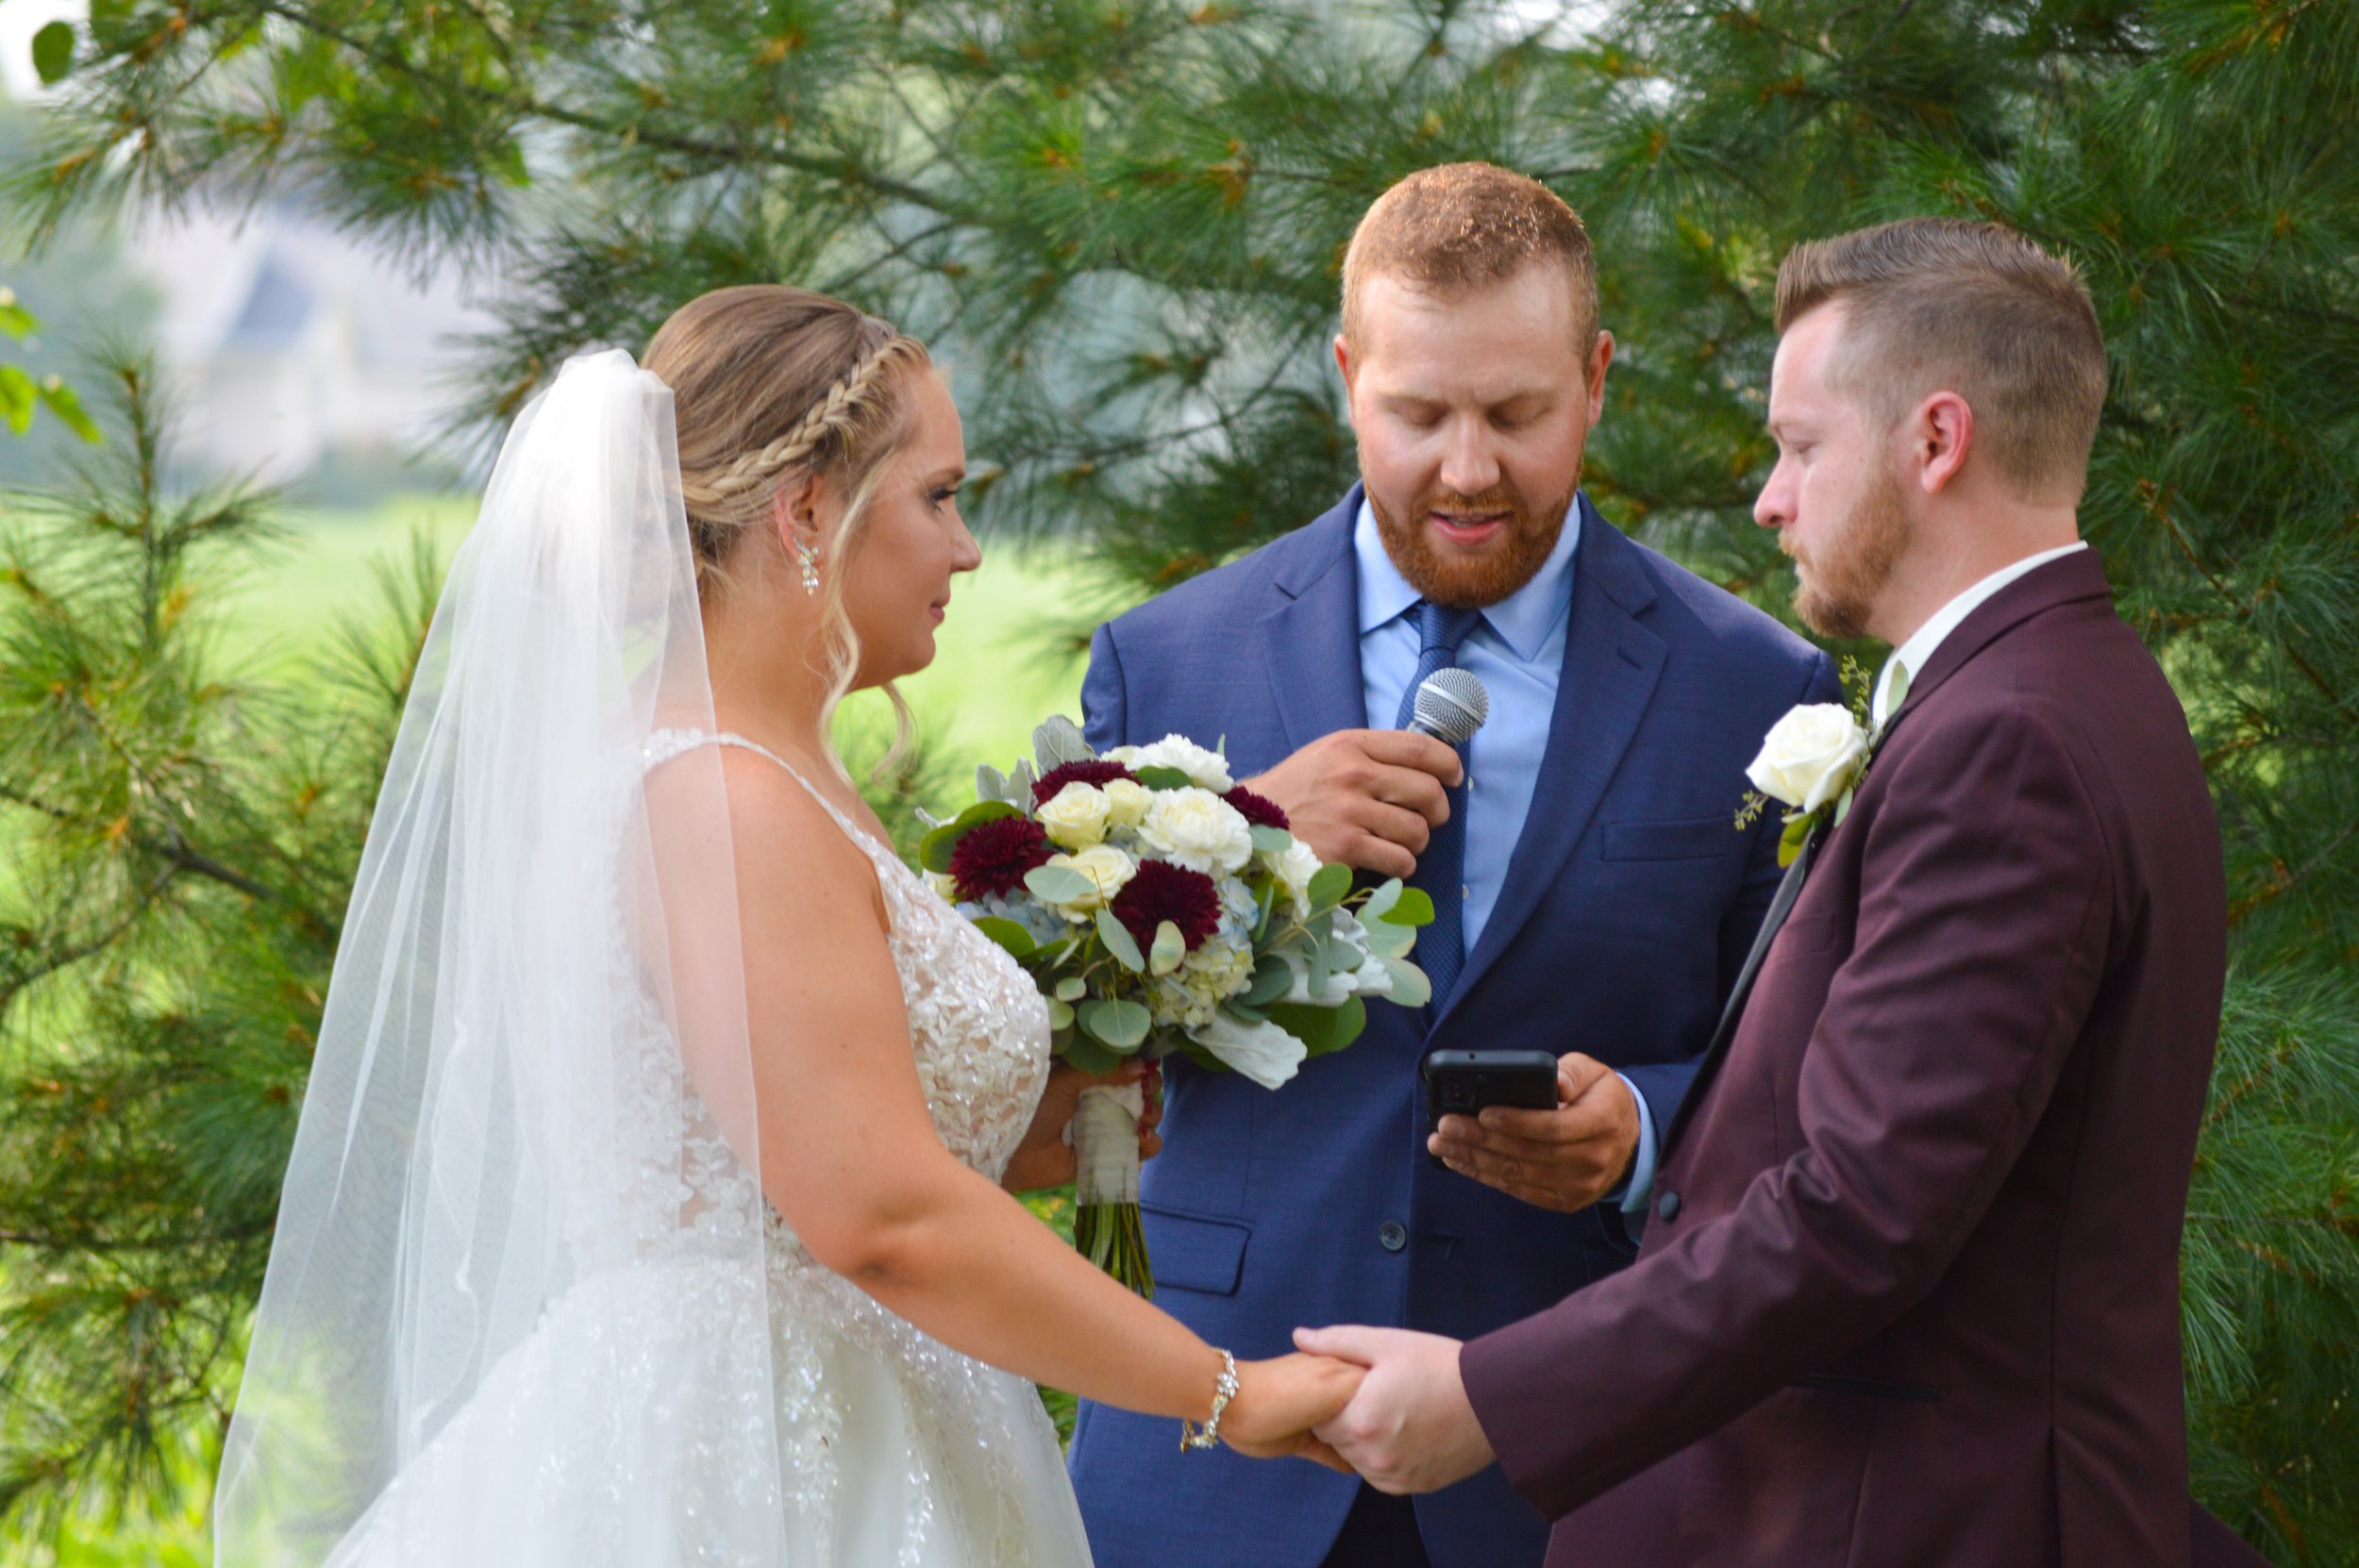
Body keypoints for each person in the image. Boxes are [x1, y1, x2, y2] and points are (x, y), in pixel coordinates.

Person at [210, 285, 1363, 1567]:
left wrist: (1055, 1121)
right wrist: (1227, 1391)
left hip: (865, 1424)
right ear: (805, 509)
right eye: (937, 495)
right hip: (750, 1470)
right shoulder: (722, 800)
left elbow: (789, 1141)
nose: (968, 547)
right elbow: (879, 1214)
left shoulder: (772, 774)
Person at [1298, 218, 2257, 1568]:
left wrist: (1487, 1398)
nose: (1770, 497)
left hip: (1938, 1519)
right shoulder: (2065, 689)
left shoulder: (2013, 741)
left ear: (1935, 442)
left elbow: (1857, 1212)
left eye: (1803, 447)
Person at [1066, 164, 1836, 1568]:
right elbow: (1082, 1055)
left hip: (1576, 1461)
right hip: (1215, 1448)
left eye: (1518, 413)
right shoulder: (1165, 656)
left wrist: (1643, 1130)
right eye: (1419, 413)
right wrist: (1240, 839)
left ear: (1597, 380)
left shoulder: (1757, 688)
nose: (1469, 468)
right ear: (1348, 377)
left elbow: (1793, 1067)